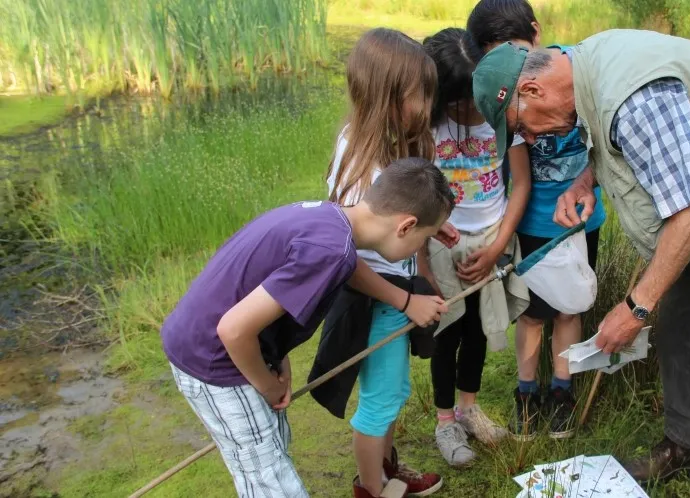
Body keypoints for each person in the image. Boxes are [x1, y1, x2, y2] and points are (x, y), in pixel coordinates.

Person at [472, 30, 690, 498]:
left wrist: (635, 307)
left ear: (533, 90)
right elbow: (624, 146)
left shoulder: (634, 97)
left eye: (520, 127)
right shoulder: (581, 74)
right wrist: (586, 181)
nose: (530, 137)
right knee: (682, 325)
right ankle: (689, 446)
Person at [160, 157, 455, 498]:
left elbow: (266, 300)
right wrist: (267, 386)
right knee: (268, 477)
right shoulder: (331, 251)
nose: (421, 248)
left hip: (231, 348)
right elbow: (233, 330)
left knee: (271, 448)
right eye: (425, 238)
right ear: (406, 226)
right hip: (214, 360)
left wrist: (277, 358)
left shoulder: (332, 220)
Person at [466, 0, 607, 442]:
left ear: (536, 33)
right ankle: (526, 394)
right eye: (493, 55)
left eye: (512, 48)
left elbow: (605, 150)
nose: (509, 65)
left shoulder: (573, 78)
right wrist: (498, 245)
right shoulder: (505, 103)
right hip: (533, 226)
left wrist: (587, 193)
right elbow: (521, 183)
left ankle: (561, 393)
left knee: (570, 306)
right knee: (531, 314)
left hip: (583, 222)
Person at [324, 28, 450, 498]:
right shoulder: (363, 171)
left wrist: (434, 223)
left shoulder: (377, 146)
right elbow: (346, 261)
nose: (427, 104)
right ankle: (372, 489)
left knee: (393, 390)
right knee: (379, 402)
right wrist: (405, 301)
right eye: (422, 94)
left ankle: (387, 470)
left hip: (390, 295)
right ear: (391, 94)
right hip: (375, 299)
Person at [422, 28, 532, 467]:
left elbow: (520, 182)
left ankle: (469, 408)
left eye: (472, 98)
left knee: (479, 331)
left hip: (491, 239)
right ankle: (445, 420)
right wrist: (425, 261)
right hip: (442, 241)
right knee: (447, 331)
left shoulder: (501, 113)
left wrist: (499, 245)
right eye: (455, 102)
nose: (467, 110)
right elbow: (415, 193)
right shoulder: (428, 125)